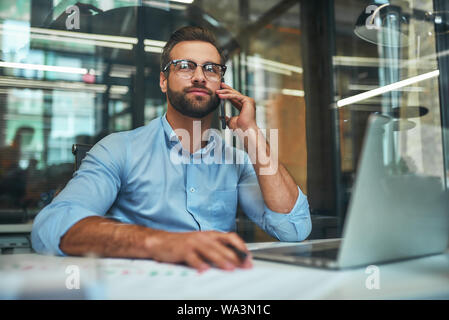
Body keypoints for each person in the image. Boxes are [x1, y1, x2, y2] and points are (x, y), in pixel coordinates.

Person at [31, 26, 311, 272]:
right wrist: (162, 242)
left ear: (221, 85)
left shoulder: (236, 161)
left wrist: (251, 133)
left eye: (211, 69)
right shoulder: (119, 149)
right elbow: (52, 225)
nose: (200, 77)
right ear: (163, 81)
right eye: (186, 66)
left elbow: (294, 228)